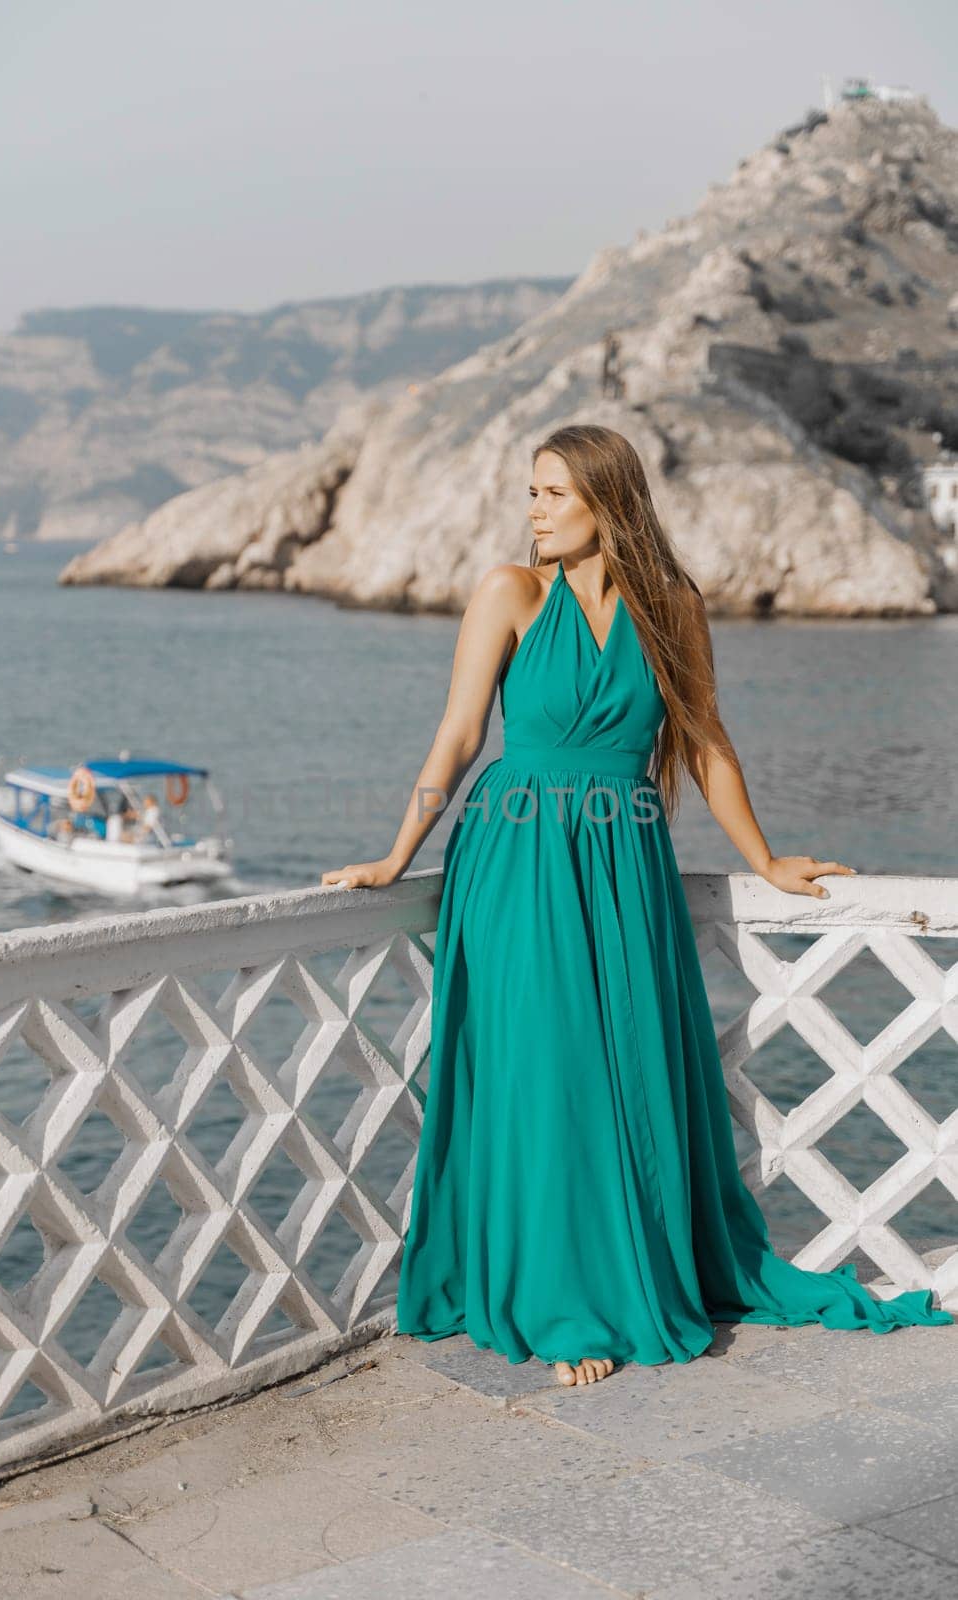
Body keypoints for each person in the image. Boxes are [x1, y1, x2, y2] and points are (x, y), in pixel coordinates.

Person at [320, 423, 954, 1389]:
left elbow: (704, 745)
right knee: (543, 1070)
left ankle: (615, 1278)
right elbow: (455, 739)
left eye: (551, 495)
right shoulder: (507, 593)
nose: (532, 511)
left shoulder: (673, 608)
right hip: (518, 853)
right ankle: (562, 1304)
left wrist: (767, 858)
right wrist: (394, 854)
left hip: (623, 859)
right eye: (530, 493)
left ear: (607, 504)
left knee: (622, 1069)